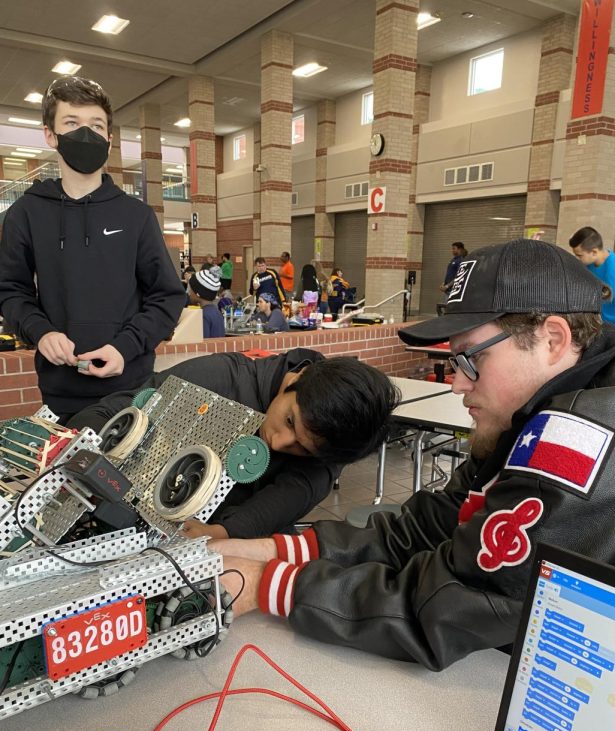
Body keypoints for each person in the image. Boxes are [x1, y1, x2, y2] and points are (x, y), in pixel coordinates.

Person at [211, 239, 615, 671]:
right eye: (453, 362)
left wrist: (263, 583)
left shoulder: (576, 449)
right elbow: (437, 522)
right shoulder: (558, 395)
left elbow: (444, 605)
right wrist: (276, 548)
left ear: (552, 340)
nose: (456, 383)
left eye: (471, 359)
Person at [0, 76, 185, 419]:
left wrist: (124, 347)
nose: (85, 134)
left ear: (109, 138)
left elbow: (167, 297)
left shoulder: (136, 216)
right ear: (50, 135)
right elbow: (10, 291)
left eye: (96, 125)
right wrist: (41, 333)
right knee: (68, 473)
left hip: (132, 388)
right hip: (60, 393)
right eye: (72, 123)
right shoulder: (26, 213)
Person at [67, 350, 398, 539]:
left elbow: (287, 498)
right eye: (289, 421)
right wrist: (77, 453)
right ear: (293, 381)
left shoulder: (334, 439)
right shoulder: (220, 377)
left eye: (303, 449)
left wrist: (223, 532)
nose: (280, 443)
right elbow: (114, 411)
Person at [569, 226, 615, 342]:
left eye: (579, 255)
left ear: (594, 252)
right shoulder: (591, 264)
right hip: (607, 325)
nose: (577, 259)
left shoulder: (614, 271)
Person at [188, 268, 225, 338]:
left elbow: (202, 345)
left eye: (191, 289)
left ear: (198, 293)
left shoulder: (202, 315)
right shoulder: (216, 311)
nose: (189, 292)